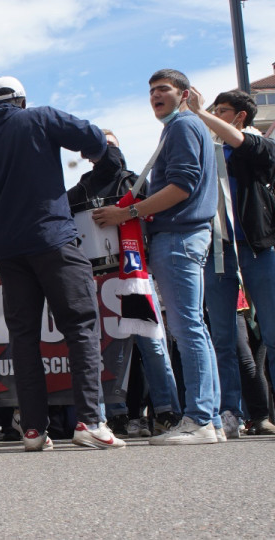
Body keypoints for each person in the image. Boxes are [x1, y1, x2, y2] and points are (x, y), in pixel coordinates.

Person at [0, 75, 124, 451]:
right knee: (81, 327)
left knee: (24, 338)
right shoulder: (39, 118)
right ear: (20, 100)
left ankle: (33, 430)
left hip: (9, 249)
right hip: (53, 240)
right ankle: (89, 422)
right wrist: (102, 154)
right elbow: (92, 136)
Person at [94, 69, 220, 445]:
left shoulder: (182, 127)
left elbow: (182, 186)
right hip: (184, 236)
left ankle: (199, 419)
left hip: (178, 236)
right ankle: (208, 416)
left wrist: (128, 214)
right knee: (193, 328)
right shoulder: (183, 127)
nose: (154, 96)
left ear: (184, 94)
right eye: (150, 91)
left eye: (163, 89)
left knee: (186, 330)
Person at [67, 131, 183, 435]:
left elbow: (159, 215)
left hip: (135, 274)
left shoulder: (137, 182)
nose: (106, 152)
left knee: (152, 345)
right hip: (100, 278)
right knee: (110, 351)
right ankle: (115, 413)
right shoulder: (80, 189)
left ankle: (166, 410)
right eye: (99, 145)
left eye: (111, 144)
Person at [187, 87, 275, 437]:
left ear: (239, 117)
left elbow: (244, 144)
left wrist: (199, 112)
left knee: (271, 333)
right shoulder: (208, 151)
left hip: (258, 249)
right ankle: (230, 413)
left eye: (220, 111)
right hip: (217, 253)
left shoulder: (258, 145)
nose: (212, 115)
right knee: (223, 338)